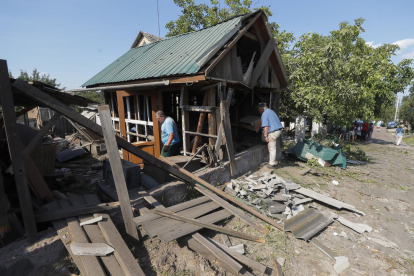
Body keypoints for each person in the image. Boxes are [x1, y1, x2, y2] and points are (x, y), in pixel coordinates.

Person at [255, 102, 283, 168]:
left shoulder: (264, 114)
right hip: (278, 130)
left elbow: (266, 127)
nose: (259, 111)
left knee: (272, 147)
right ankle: (272, 161)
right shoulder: (270, 111)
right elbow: (267, 121)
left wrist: (265, 136)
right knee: (270, 144)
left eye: (259, 109)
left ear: (261, 108)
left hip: (273, 132)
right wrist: (259, 126)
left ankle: (271, 164)